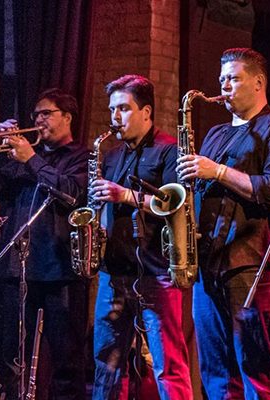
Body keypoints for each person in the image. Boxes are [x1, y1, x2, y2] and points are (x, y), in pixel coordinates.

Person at [177, 48, 270, 399]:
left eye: (233, 78)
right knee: (215, 373)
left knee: (257, 371)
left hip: (252, 265)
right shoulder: (216, 134)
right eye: (222, 80)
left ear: (259, 83)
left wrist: (217, 171)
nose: (224, 86)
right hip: (208, 263)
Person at [90, 74, 194, 399]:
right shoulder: (111, 156)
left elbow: (173, 205)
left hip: (155, 272)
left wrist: (123, 195)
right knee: (107, 365)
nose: (115, 117)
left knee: (168, 367)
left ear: (146, 112)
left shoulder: (169, 151)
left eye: (123, 108)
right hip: (113, 274)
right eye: (112, 109)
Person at [0, 88, 89, 399]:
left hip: (60, 270)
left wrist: (31, 159)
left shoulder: (81, 157)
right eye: (35, 115)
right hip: (18, 270)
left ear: (67, 117)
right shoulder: (22, 157)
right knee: (13, 357)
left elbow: (72, 193)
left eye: (46, 113)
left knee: (66, 360)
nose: (38, 120)